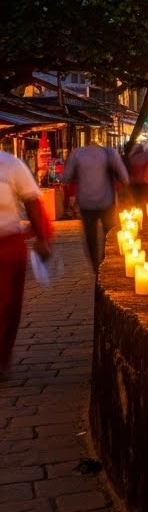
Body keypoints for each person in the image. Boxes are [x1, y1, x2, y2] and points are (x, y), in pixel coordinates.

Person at [1, 150, 54, 379]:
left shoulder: (10, 165)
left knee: (7, 305)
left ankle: (1, 356)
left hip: (7, 246)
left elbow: (32, 200)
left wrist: (43, 237)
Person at [61, 139, 129, 269]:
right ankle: (107, 263)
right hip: (106, 201)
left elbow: (66, 177)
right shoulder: (110, 153)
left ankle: (96, 268)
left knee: (91, 238)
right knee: (109, 235)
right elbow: (125, 177)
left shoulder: (77, 154)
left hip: (86, 203)